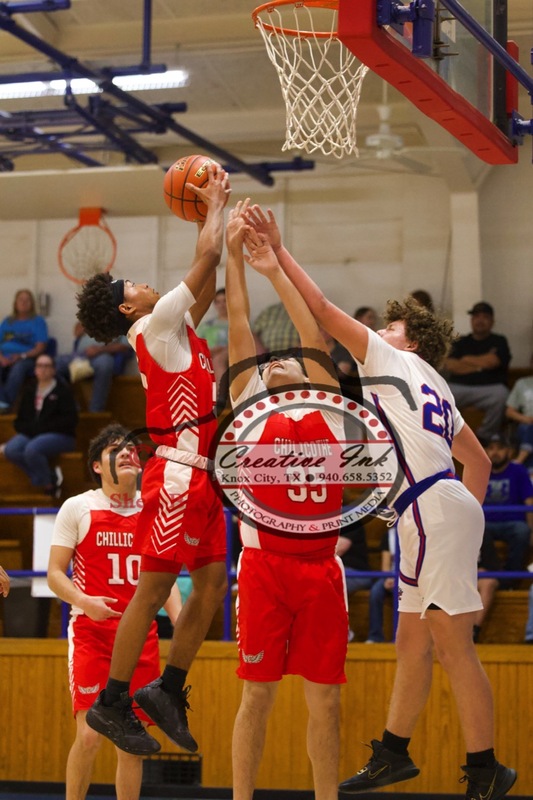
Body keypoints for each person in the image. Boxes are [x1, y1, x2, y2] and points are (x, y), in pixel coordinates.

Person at [243, 204, 516, 800]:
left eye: (390, 326)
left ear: (408, 339)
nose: (379, 330)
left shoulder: (394, 357)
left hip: (431, 508)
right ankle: (394, 750)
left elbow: (318, 310)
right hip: (435, 507)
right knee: (412, 642)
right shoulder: (436, 383)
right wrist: (455, 520)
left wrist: (277, 256)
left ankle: (485, 766)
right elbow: (482, 462)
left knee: (450, 644)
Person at [78, 162, 231, 757]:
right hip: (174, 476)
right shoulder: (155, 324)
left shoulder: (175, 327)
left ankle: (167, 688)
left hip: (203, 477)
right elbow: (206, 262)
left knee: (215, 584)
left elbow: (209, 282)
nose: (142, 283)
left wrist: (217, 231)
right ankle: (113, 702)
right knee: (153, 587)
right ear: (126, 309)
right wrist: (212, 205)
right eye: (133, 283)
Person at [226, 200, 348, 800]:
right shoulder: (249, 402)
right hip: (264, 569)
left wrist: (274, 266)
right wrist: (233, 259)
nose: (279, 362)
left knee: (325, 700)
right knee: (257, 694)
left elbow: (313, 332)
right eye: (269, 362)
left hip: (321, 567)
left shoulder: (329, 405)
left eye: (291, 360)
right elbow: (240, 322)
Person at [47, 423, 182, 800]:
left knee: (131, 744)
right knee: (89, 736)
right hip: (92, 634)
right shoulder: (78, 506)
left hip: (140, 638)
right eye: (114, 448)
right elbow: (55, 574)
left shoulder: (153, 510)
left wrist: (181, 618)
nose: (127, 452)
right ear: (95, 465)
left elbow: (164, 580)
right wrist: (85, 602)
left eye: (131, 449)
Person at [1, 354, 78, 496]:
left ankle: (48, 485)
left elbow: (69, 421)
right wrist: (32, 429)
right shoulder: (29, 391)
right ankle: (49, 477)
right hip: (34, 434)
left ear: (53, 370)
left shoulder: (63, 391)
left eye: (47, 366)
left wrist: (38, 429)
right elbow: (20, 420)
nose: (43, 369)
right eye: (39, 366)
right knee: (10, 450)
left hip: (61, 436)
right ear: (35, 370)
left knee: (32, 449)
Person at [444, 301, 511, 443]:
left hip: (489, 389)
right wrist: (481, 365)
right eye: (476, 316)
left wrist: (465, 360)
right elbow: (451, 365)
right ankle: (446, 436)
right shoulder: (460, 341)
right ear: (472, 320)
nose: (480, 320)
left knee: (501, 395)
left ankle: (484, 438)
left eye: (485, 317)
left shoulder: (499, 340)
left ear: (492, 321)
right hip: (459, 388)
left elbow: (493, 361)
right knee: (441, 394)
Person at [482, 433, 533, 586]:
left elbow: (529, 502)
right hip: (487, 523)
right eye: (491, 448)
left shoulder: (518, 470)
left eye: (500, 448)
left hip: (513, 522)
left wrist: (532, 531)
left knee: (522, 531)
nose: (495, 452)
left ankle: (511, 579)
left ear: (509, 451)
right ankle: (495, 572)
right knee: (475, 530)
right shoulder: (480, 469)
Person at [57, 321, 132, 412]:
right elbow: (76, 333)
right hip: (81, 355)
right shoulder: (92, 314)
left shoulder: (121, 320)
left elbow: (124, 346)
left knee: (105, 364)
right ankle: (72, 406)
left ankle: (95, 411)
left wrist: (99, 350)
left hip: (103, 355)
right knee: (54, 364)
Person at [0, 288, 48, 412]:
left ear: (32, 304)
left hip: (27, 358)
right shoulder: (7, 322)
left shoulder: (38, 321)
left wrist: (21, 356)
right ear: (15, 303)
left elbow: (40, 348)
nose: (24, 302)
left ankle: (5, 405)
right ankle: (2, 401)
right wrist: (2, 358)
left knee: (18, 368)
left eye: (28, 300)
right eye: (21, 299)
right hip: (4, 357)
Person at [336, 520, 373, 642]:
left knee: (328, 585)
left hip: (357, 573)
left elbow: (338, 549)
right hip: (336, 571)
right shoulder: (319, 521)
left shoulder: (351, 520)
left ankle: (343, 630)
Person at [366, 527, 397, 643]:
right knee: (375, 592)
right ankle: (375, 636)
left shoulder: (415, 531)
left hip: (409, 577)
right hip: (391, 575)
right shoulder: (389, 535)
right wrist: (388, 578)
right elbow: (386, 564)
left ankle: (401, 636)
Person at [196, 287, 229, 394]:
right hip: (209, 355)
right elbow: (196, 346)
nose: (222, 305)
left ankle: (220, 394)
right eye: (218, 302)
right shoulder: (207, 325)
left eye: (225, 301)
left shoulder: (238, 323)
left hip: (229, 355)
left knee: (218, 359)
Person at [505, 356, 533, 468]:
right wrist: (527, 419)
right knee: (528, 429)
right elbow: (509, 411)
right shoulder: (522, 383)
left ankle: (519, 462)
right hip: (527, 423)